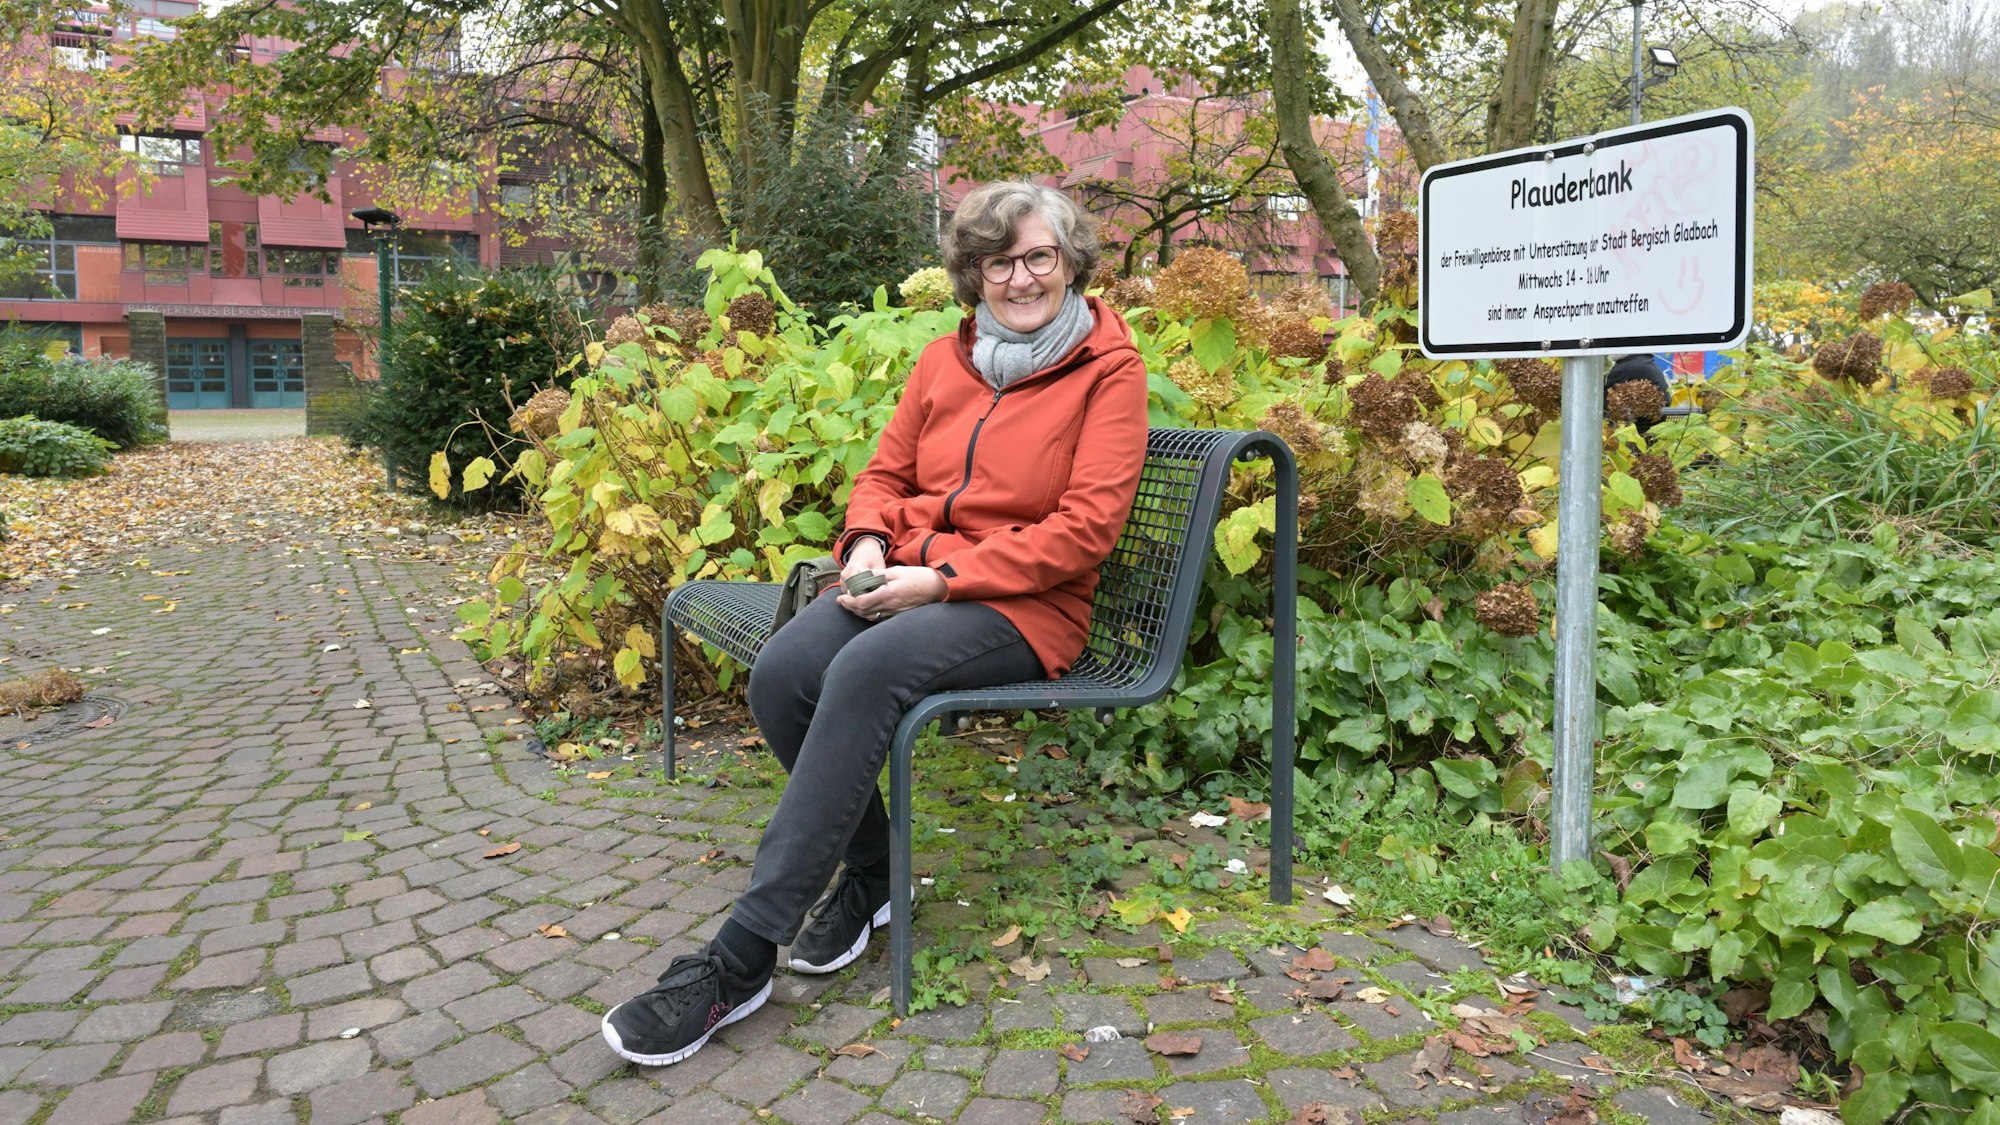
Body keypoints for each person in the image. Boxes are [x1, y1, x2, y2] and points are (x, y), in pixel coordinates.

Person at [600, 181, 1151, 1067]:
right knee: (784, 673)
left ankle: (742, 957)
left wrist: (941, 580)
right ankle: (875, 875)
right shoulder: (943, 361)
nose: (1020, 278)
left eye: (1038, 257)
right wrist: (863, 544)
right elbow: (884, 475)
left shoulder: (1109, 370)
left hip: (1026, 604)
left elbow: (1086, 529)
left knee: (863, 672)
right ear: (972, 273)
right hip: (907, 577)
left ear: (1071, 261)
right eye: (998, 262)